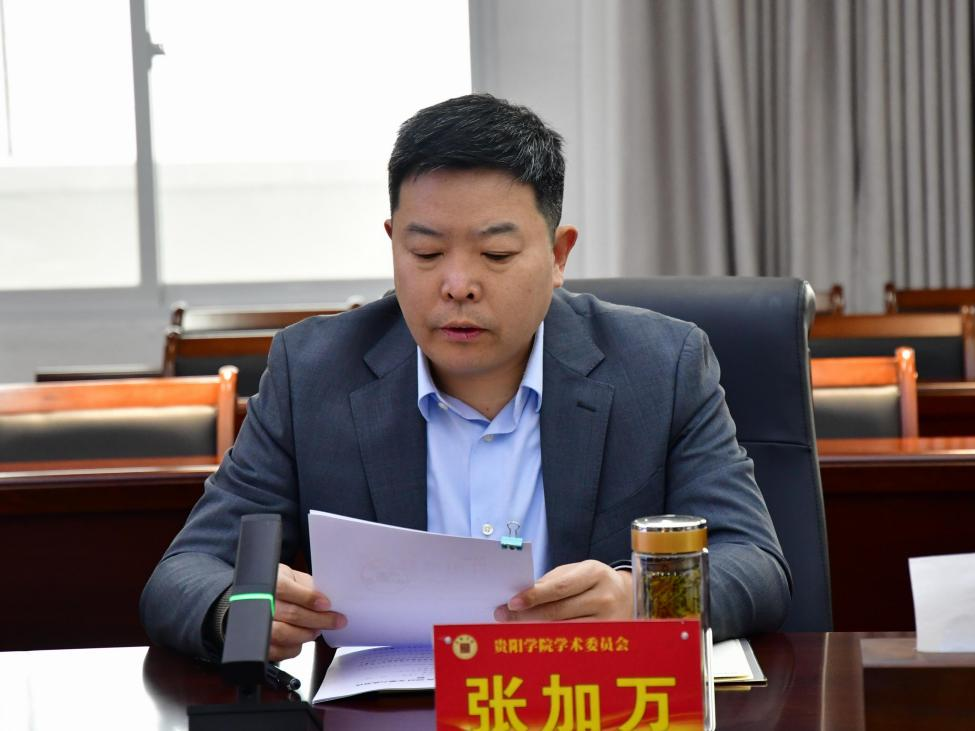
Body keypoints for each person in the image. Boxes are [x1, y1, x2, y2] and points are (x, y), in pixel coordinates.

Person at [141, 94, 790, 662]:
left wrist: (640, 598)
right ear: (393, 243)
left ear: (558, 254)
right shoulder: (313, 372)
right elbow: (185, 573)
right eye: (425, 252)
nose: (457, 284)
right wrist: (241, 608)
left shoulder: (661, 365)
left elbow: (755, 564)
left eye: (495, 253)